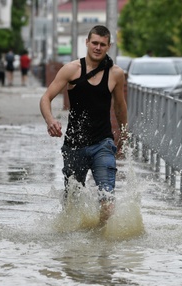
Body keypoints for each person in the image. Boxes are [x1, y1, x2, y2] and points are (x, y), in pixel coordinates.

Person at [39, 25, 128, 222]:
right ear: (87, 43)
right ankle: (74, 240)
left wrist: (124, 134)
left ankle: (100, 240)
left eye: (102, 44)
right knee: (72, 200)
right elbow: (46, 98)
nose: (98, 47)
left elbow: (121, 108)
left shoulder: (115, 74)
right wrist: (50, 120)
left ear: (108, 46)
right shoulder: (71, 69)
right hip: (74, 146)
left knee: (107, 199)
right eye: (94, 43)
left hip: (102, 144)